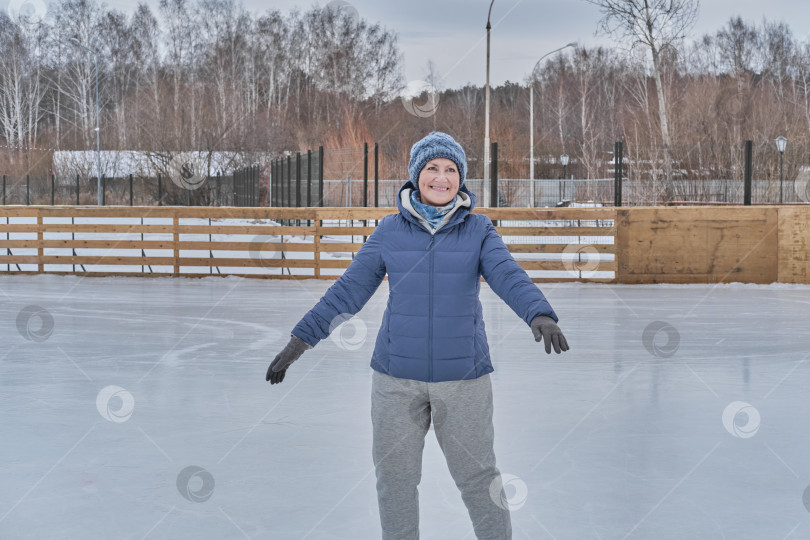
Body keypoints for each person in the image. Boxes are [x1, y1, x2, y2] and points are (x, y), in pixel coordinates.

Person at [266, 131, 569, 539]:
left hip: (464, 379)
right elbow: (348, 290)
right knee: (395, 483)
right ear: (416, 176)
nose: (441, 178)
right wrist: (300, 340)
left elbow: (507, 274)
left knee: (480, 480)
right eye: (432, 168)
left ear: (461, 178)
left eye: (450, 170)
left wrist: (538, 313)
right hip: (396, 380)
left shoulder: (478, 230)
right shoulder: (390, 231)